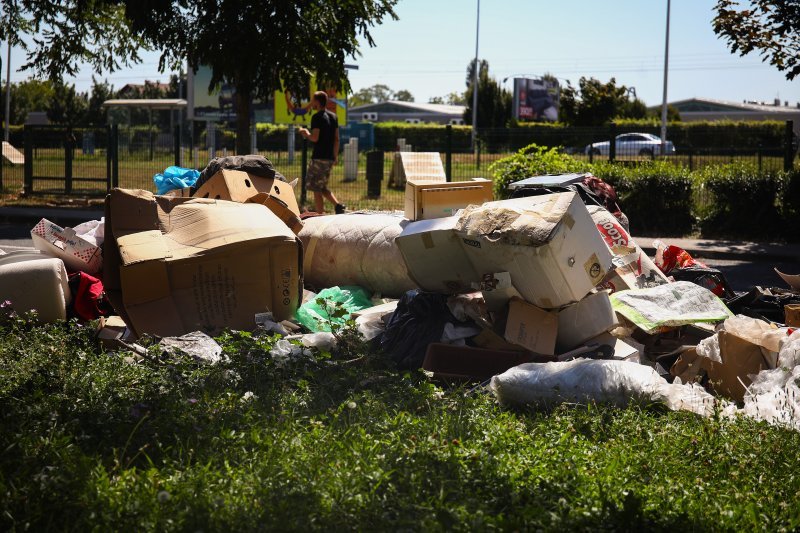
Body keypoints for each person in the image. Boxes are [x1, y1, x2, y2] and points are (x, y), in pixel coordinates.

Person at [299, 91, 346, 214]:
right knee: (322, 186)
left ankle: (320, 215)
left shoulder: (317, 117)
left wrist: (305, 133)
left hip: (319, 157)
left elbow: (315, 138)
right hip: (329, 157)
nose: (311, 103)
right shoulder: (333, 116)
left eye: (313, 100)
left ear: (317, 102)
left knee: (316, 188)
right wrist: (335, 156)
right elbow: (336, 138)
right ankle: (338, 206)